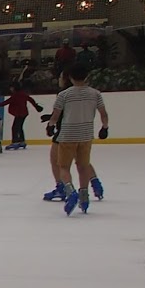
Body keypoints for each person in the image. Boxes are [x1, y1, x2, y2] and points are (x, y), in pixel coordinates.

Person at [47, 64, 110, 215]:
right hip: (86, 135)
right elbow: (103, 113)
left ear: (69, 77)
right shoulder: (95, 94)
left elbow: (56, 115)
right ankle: (84, 197)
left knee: (63, 167)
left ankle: (70, 191)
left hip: (68, 135)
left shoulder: (64, 95)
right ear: (87, 77)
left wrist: (50, 125)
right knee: (83, 166)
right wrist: (105, 128)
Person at [3, 82, 42, 150]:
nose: (10, 89)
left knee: (15, 128)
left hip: (19, 113)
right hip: (23, 113)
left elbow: (6, 102)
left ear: (14, 88)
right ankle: (22, 141)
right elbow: (30, 99)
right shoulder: (23, 93)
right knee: (19, 127)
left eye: (11, 87)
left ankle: (15, 142)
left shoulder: (16, 95)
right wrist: (36, 106)